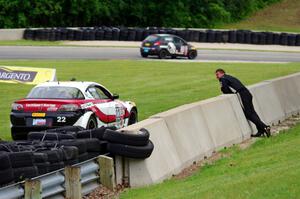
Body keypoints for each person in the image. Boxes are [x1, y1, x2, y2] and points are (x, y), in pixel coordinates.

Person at [215, 68, 271, 137]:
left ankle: (265, 127)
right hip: (247, 93)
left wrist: (228, 92)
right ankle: (260, 130)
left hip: (243, 95)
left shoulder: (223, 79)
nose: (216, 77)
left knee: (249, 114)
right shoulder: (229, 77)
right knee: (252, 113)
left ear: (222, 73)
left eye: (217, 74)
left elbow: (225, 89)